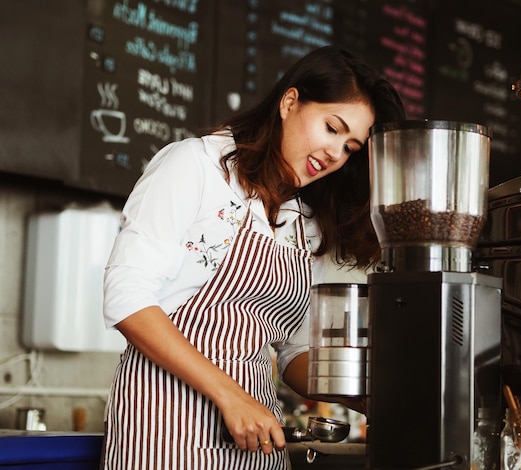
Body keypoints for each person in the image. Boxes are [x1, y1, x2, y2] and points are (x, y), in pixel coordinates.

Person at [100, 45, 405, 469]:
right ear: (290, 102)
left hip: (256, 436)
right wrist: (229, 395)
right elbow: (126, 298)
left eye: (351, 147)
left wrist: (368, 397)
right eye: (332, 128)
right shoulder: (196, 167)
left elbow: (294, 352)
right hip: (166, 427)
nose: (337, 153)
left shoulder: (307, 221)